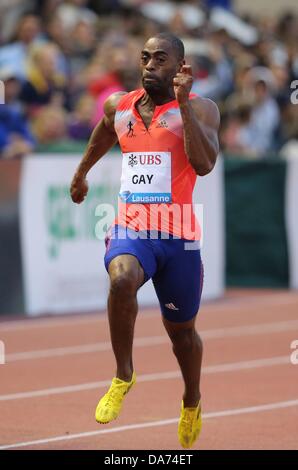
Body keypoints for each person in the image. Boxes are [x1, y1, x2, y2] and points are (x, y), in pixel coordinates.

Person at [70, 33, 220, 449]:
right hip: (132, 228)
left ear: (179, 66)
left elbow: (205, 165)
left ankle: (192, 399)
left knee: (183, 336)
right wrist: (81, 173)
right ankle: (123, 374)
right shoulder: (119, 105)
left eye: (161, 58)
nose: (150, 64)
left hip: (179, 237)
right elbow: (103, 131)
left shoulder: (203, 108)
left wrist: (184, 106)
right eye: (145, 57)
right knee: (121, 278)